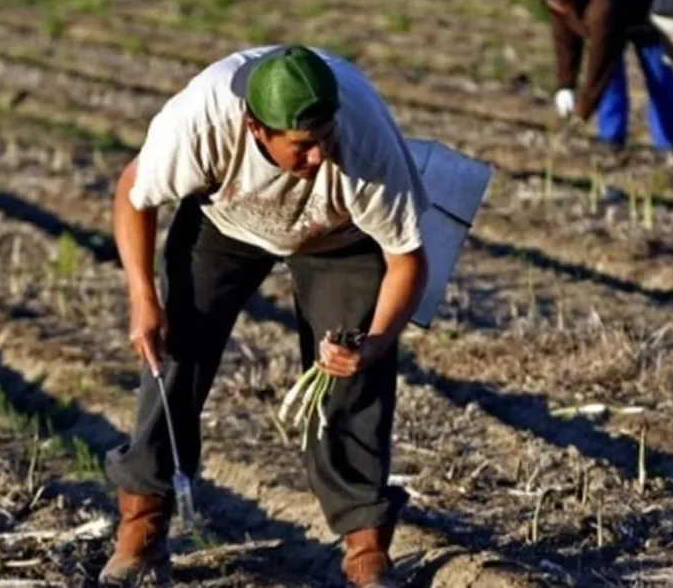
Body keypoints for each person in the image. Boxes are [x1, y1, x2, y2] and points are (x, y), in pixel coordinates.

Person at [101, 44, 430, 588]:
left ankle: (365, 547)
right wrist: (143, 298)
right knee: (175, 356)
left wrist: (373, 343)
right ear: (256, 128)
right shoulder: (202, 118)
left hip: (339, 237)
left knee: (350, 378)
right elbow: (133, 196)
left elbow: (407, 260)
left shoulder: (367, 143)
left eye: (326, 139)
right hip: (225, 222)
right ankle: (142, 530)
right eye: (302, 146)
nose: (320, 156)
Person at [537, 0, 673, 152]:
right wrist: (566, 85)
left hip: (649, 9)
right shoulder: (557, 2)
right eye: (553, 4)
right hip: (612, 18)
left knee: (658, 75)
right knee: (610, 80)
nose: (559, 9)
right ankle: (610, 138)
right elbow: (565, 42)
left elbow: (602, 55)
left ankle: (668, 142)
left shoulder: (602, 0)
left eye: (562, 3)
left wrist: (584, 108)